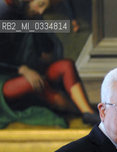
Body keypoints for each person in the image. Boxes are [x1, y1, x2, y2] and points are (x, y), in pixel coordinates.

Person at [0, 0, 99, 128]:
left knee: (66, 65)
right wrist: (22, 69)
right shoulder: (6, 15)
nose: (41, 11)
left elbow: (46, 53)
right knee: (36, 83)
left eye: (44, 10)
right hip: (5, 79)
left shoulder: (34, 19)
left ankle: (87, 112)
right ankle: (75, 110)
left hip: (32, 72)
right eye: (40, 5)